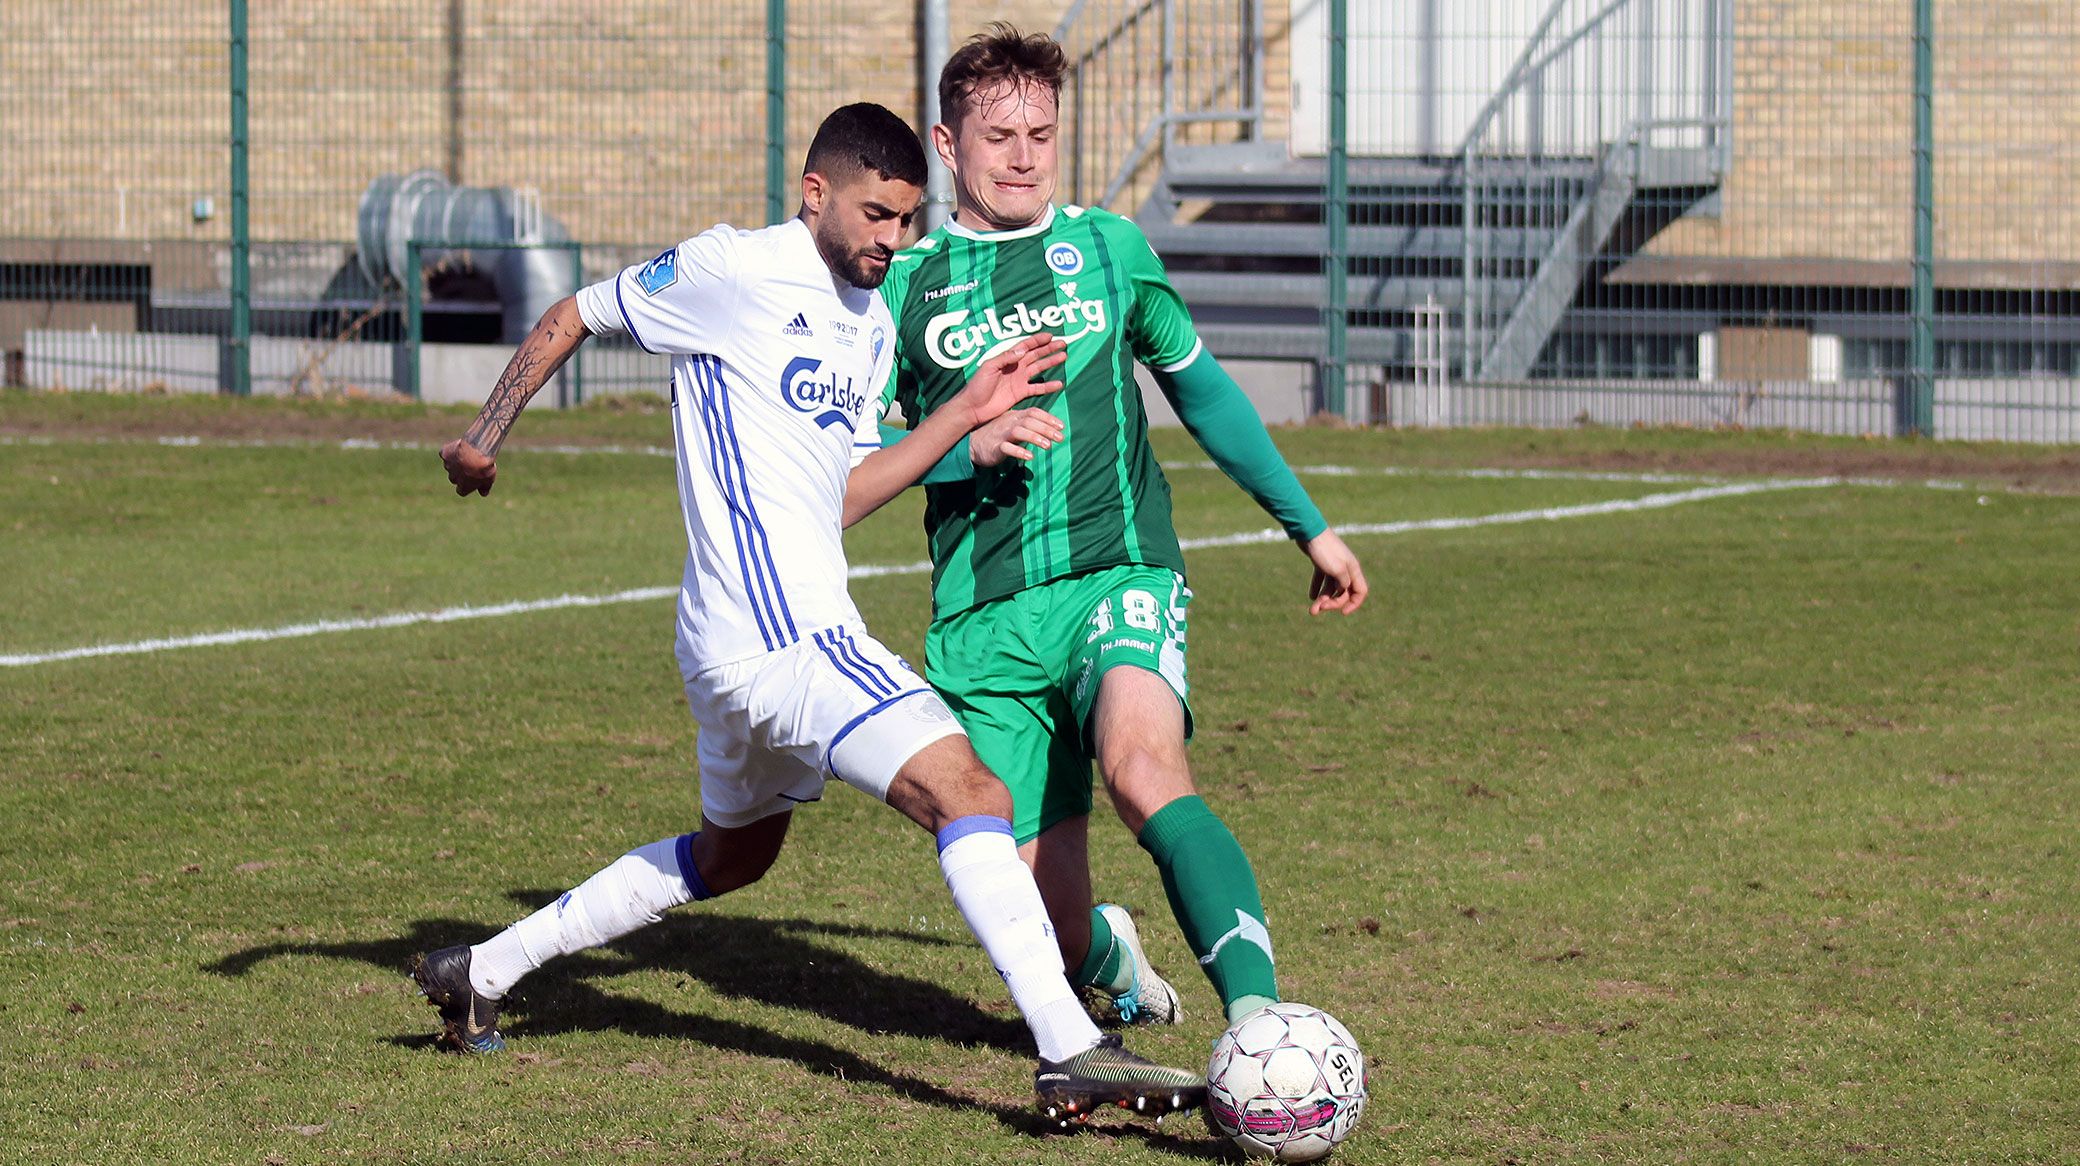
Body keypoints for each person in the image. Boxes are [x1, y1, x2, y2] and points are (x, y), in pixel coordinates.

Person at [411, 102, 1204, 1126]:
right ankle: (1069, 1049)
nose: (893, 238)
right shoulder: (731, 268)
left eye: (910, 221)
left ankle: (481, 965)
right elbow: (575, 311)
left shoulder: (871, 328)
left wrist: (961, 415)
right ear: (815, 192)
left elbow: (840, 497)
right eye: (876, 213)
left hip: (740, 640)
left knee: (734, 854)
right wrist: (484, 432)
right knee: (969, 788)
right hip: (780, 633)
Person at [872, 29, 1370, 1033]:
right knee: (1046, 937)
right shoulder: (900, 285)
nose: (1022, 156)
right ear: (946, 142)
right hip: (982, 617)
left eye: (1040, 134)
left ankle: (1261, 1020)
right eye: (998, 135)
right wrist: (965, 438)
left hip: (1117, 572)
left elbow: (1206, 393)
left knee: (1143, 770)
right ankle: (1109, 950)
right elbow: (850, 448)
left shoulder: (1110, 250)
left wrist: (1308, 527)